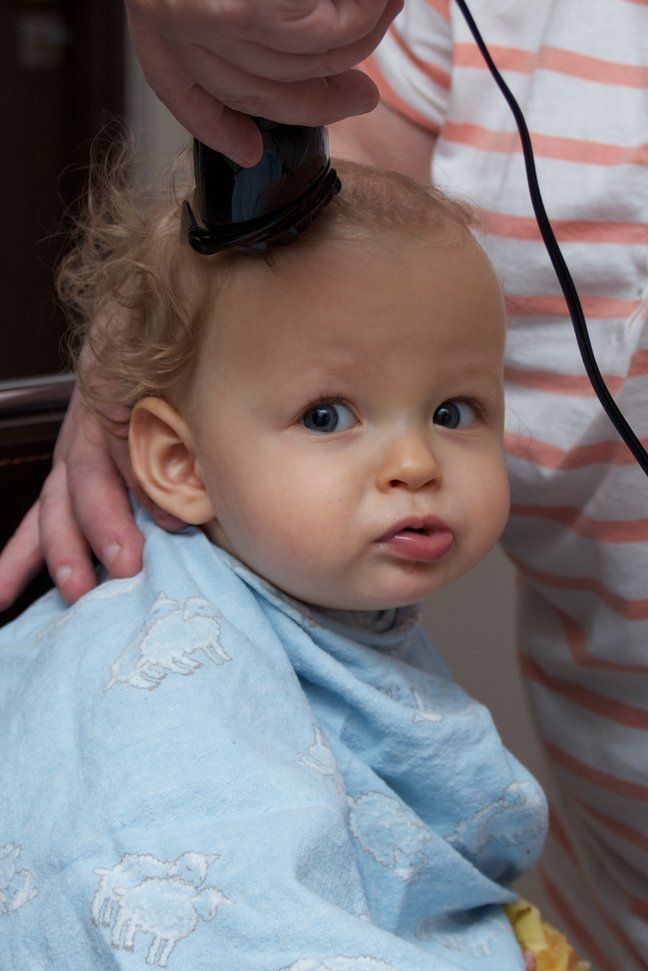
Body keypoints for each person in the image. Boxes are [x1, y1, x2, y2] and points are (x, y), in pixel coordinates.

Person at [0, 1, 645, 968]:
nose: (417, 463)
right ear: (177, 462)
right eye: (330, 416)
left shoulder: (313, 610)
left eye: (454, 411)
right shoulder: (173, 711)